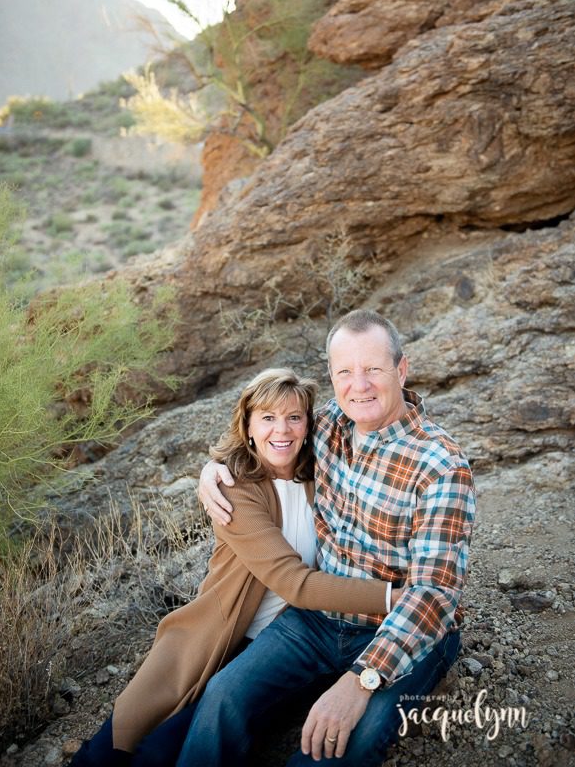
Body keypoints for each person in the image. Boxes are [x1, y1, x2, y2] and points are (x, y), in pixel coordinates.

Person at [70, 367, 400, 767]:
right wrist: (396, 597)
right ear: (247, 425)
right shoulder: (235, 489)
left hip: (279, 644)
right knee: (120, 744)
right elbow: (296, 584)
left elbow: (372, 401)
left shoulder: (323, 476)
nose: (282, 429)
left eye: (294, 417)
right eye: (267, 418)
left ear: (309, 425)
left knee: (173, 748)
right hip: (215, 636)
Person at [187, 309, 476, 767]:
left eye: (373, 370)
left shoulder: (441, 465)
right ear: (331, 376)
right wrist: (212, 471)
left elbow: (435, 594)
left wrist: (361, 679)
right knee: (222, 699)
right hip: (317, 619)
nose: (358, 385)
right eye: (345, 372)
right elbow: (267, 436)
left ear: (402, 369)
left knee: (336, 747)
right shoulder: (326, 427)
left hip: (403, 629)